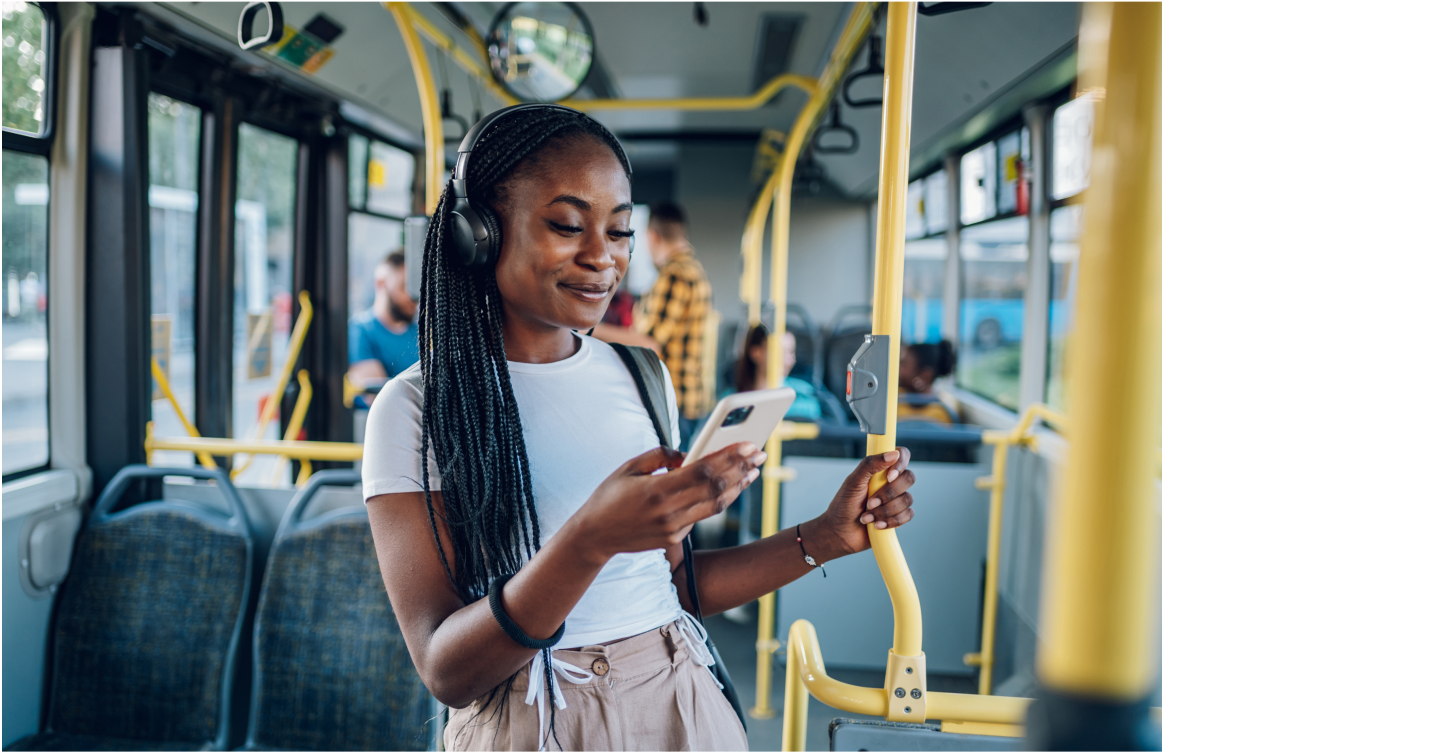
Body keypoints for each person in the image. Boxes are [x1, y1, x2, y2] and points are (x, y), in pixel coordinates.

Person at [362, 105, 919, 753]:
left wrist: (822, 536)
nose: (602, 256)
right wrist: (587, 542)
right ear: (477, 233)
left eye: (622, 231)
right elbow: (445, 670)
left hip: (680, 692)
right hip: (532, 712)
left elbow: (675, 587)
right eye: (567, 225)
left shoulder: (641, 374)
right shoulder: (412, 408)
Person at [596, 201, 712, 445]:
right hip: (691, 398)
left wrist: (591, 329)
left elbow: (649, 344)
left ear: (652, 236)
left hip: (673, 399)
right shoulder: (695, 271)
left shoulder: (673, 276)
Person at [348, 251, 419, 404]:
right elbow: (379, 398)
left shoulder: (421, 334)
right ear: (381, 283)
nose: (413, 297)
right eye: (404, 287)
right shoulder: (360, 331)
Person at [725, 324, 823, 422]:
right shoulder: (730, 401)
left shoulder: (806, 395)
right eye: (780, 352)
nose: (789, 360)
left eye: (791, 352)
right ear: (756, 353)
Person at [895, 340, 964, 424]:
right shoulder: (894, 397)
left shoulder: (945, 411)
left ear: (924, 376)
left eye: (904, 364)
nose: (897, 369)